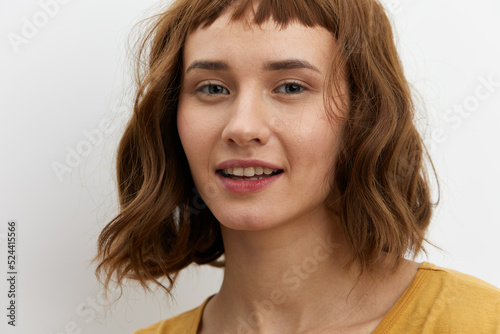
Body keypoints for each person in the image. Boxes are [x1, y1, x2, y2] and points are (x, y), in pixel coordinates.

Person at [95, 0, 500, 333]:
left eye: (291, 87)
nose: (242, 127)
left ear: (364, 115)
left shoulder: (480, 322)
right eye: (213, 88)